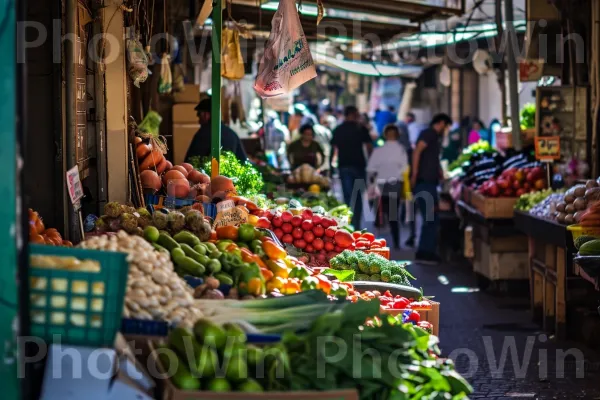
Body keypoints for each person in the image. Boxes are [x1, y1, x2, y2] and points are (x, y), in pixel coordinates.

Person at [411, 113, 452, 264]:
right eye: (446, 126)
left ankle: (426, 251)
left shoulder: (434, 137)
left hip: (429, 182)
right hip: (424, 182)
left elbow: (431, 157)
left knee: (431, 218)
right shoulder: (428, 134)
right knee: (430, 219)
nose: (446, 130)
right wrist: (415, 174)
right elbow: (417, 152)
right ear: (441, 123)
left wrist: (439, 171)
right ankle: (425, 253)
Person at [367, 124, 409, 249]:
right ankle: (396, 243)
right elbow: (405, 169)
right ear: (397, 135)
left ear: (385, 135)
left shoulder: (379, 150)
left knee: (379, 214)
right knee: (393, 215)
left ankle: (376, 244)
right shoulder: (401, 150)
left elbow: (370, 169)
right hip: (395, 184)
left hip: (380, 185)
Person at [331, 106, 374, 229]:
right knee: (358, 198)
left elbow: (333, 149)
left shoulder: (338, 130)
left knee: (348, 197)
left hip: (345, 166)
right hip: (358, 166)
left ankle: (348, 225)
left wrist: (330, 166)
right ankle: (355, 224)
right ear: (354, 114)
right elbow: (369, 147)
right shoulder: (361, 129)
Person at [185, 97, 247, 162]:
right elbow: (243, 160)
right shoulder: (232, 134)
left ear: (206, 114)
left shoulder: (203, 134)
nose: (199, 120)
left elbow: (190, 162)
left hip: (208, 172)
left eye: (199, 115)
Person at [396, 113, 417, 247]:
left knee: (400, 212)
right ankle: (410, 235)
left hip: (401, 185)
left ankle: (400, 239)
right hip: (405, 186)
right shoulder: (409, 149)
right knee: (408, 211)